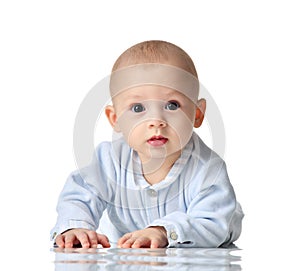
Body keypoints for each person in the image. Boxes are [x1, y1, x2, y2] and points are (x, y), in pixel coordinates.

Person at [51, 40, 244, 249]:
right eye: (137, 108)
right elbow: (80, 194)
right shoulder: (109, 159)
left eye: (172, 105)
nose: (156, 120)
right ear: (115, 119)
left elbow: (212, 222)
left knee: (224, 220)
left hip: (192, 254)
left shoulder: (207, 169)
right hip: (125, 254)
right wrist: (75, 227)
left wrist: (163, 232)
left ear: (197, 115)